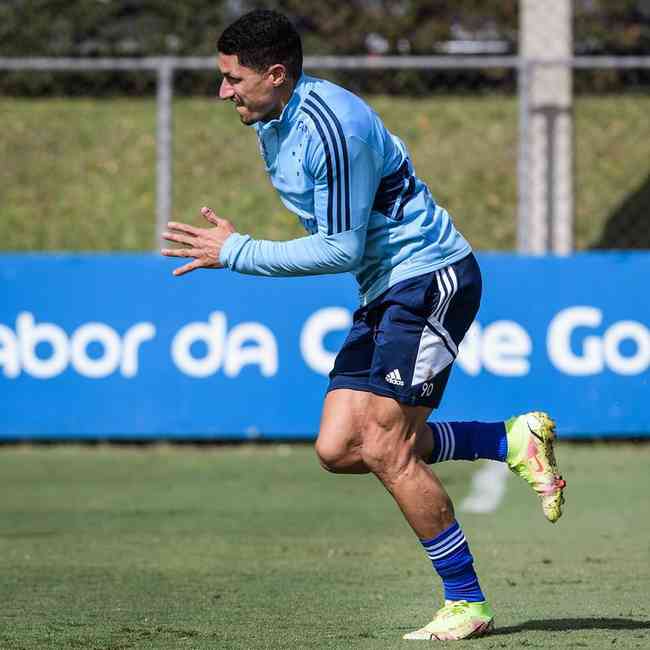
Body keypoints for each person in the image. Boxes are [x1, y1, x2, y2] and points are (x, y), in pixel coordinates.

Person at [161, 9, 566, 641]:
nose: (223, 91)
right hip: (385, 289)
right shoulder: (272, 118)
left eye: (234, 79)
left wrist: (234, 252)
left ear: (276, 74)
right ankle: (507, 439)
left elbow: (340, 248)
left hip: (428, 277)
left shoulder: (332, 127)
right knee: (337, 448)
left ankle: (468, 602)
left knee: (382, 444)